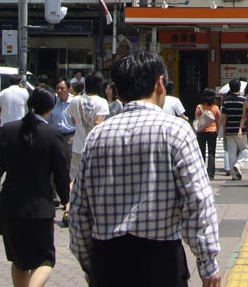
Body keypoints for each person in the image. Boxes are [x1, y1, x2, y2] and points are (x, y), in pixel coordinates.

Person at [69, 51, 221, 287]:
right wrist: (207, 263)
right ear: (160, 83)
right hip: (160, 259)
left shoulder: (97, 136)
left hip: (107, 257)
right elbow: (197, 201)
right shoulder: (176, 131)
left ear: (117, 91)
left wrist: (89, 264)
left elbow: (79, 209)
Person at [0, 86, 70, 287]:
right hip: (39, 207)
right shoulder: (52, 133)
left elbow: (1, 166)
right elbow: (61, 173)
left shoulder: (8, 130)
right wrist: (66, 201)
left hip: (10, 206)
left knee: (19, 261)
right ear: (50, 108)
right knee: (45, 259)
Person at [65, 71, 109, 227]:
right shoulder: (102, 102)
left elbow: (72, 120)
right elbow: (99, 123)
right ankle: (92, 212)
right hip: (94, 149)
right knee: (95, 180)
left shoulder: (75, 100)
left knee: (74, 179)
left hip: (77, 146)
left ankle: (68, 209)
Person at [48, 78, 75, 226]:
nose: (59, 91)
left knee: (70, 169)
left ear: (69, 89)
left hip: (70, 137)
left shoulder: (75, 103)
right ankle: (53, 197)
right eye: (58, 88)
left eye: (62, 88)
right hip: (56, 137)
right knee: (54, 168)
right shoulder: (54, 103)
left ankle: (69, 201)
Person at [220, 79, 248, 180]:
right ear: (239, 87)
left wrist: (224, 131)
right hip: (242, 129)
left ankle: (234, 175)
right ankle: (238, 165)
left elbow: (223, 117)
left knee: (231, 152)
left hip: (229, 129)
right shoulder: (244, 100)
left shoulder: (226, 101)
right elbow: (245, 116)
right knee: (245, 149)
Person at [194, 88, 222, 179]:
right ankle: (210, 174)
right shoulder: (215, 108)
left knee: (201, 152)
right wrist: (217, 129)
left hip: (201, 131)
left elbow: (196, 119)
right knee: (211, 152)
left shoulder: (199, 107)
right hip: (212, 131)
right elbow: (218, 120)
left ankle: (201, 172)